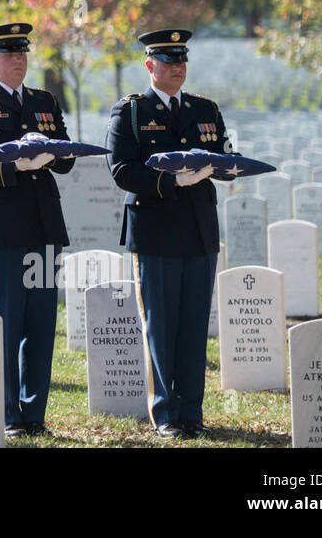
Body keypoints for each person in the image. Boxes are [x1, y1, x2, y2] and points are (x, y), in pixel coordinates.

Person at [105, 28, 229, 439]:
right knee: (160, 324)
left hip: (198, 231)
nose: (177, 68)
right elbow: (122, 170)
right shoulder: (131, 113)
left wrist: (225, 168)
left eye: (182, 61)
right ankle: (165, 413)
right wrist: (173, 181)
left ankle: (191, 410)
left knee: (194, 324)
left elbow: (225, 158)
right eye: (168, 61)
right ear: (149, 66)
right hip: (155, 231)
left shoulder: (205, 109)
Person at [0, 22, 75, 438]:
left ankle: (34, 412)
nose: (18, 61)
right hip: (2, 229)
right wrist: (15, 167)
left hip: (43, 226)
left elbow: (67, 155)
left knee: (41, 323)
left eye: (22, 54)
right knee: (5, 323)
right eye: (8, 55)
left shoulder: (44, 101)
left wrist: (50, 158)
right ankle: (8, 411)